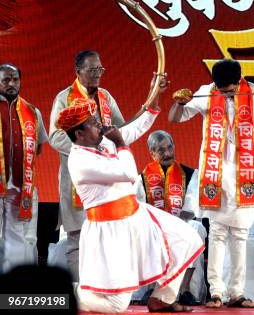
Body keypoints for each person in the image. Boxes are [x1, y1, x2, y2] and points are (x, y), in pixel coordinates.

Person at [57, 98, 204, 313]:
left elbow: (132, 130)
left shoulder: (100, 144)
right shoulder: (80, 161)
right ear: (79, 134)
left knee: (188, 239)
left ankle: (163, 298)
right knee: (116, 306)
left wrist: (153, 103)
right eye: (93, 123)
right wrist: (121, 144)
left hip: (137, 215)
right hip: (111, 229)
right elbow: (128, 173)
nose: (99, 124)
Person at [169, 58, 254, 309]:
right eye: (221, 90)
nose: (225, 94)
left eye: (229, 90)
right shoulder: (206, 93)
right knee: (218, 234)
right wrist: (179, 103)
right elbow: (175, 118)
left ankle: (238, 293)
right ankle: (216, 293)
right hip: (217, 173)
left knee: (240, 236)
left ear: (239, 81)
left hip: (245, 173)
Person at [48, 50, 137, 281]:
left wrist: (148, 109)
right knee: (78, 240)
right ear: (78, 72)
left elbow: (122, 127)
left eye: (100, 69)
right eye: (93, 70)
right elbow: (55, 137)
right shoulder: (64, 98)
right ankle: (80, 292)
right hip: (80, 177)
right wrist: (87, 149)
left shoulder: (105, 96)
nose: (98, 74)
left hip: (105, 178)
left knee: (106, 236)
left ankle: (103, 291)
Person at [134, 130, 207, 306]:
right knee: (146, 232)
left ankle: (185, 289)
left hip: (181, 222)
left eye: (169, 147)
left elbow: (191, 207)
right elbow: (138, 208)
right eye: (161, 150)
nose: (167, 153)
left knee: (196, 229)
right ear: (152, 153)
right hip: (154, 226)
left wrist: (173, 225)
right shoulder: (142, 179)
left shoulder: (190, 174)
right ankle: (153, 288)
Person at [0, 63, 47, 272]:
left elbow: (37, 147)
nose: (11, 84)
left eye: (15, 79)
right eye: (5, 80)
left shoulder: (32, 111)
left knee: (21, 236)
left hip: (21, 184)